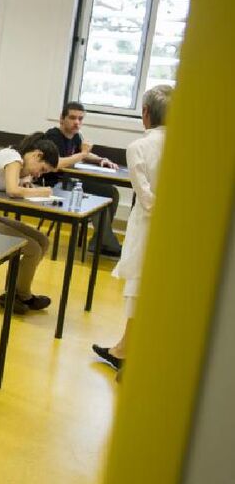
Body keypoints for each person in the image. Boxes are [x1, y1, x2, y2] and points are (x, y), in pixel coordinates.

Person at [93, 85, 171, 371]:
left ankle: (126, 350)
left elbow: (145, 193)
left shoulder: (138, 147)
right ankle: (126, 345)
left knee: (137, 284)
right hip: (177, 223)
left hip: (149, 222)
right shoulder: (184, 144)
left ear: (145, 113)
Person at [0, 132, 60, 314]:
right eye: (42, 169)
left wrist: (27, 182)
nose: (39, 174)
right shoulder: (13, 158)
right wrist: (42, 191)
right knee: (33, 248)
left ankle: (15, 293)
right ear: (37, 155)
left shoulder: (16, 159)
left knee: (43, 240)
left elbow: (14, 185)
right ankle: (21, 295)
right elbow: (13, 190)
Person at [43, 102, 123, 256]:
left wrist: (100, 160)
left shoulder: (75, 136)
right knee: (96, 199)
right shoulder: (53, 136)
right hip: (55, 185)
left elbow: (83, 153)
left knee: (111, 193)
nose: (77, 123)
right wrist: (83, 153)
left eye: (80, 119)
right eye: (72, 118)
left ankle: (98, 241)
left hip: (70, 182)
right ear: (62, 119)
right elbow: (57, 164)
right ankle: (106, 242)